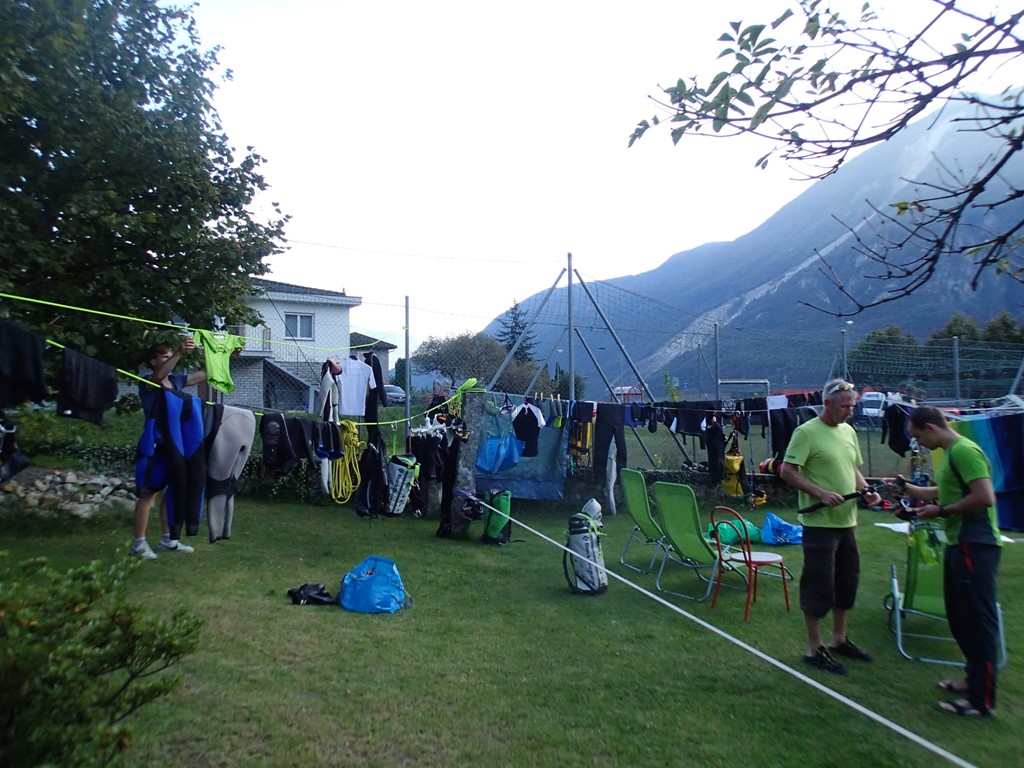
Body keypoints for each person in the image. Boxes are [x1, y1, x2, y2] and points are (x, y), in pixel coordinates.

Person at [892, 406, 1001, 717]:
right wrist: (908, 488)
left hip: (975, 544)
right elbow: (948, 491)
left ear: (930, 427)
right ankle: (973, 680)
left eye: (917, 437)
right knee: (960, 618)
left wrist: (940, 511)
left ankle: (982, 701)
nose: (918, 444)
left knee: (978, 621)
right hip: (959, 544)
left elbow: (984, 496)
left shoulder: (964, 451)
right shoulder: (951, 454)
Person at [779, 379, 881, 675]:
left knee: (846, 581)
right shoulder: (806, 432)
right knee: (818, 583)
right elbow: (787, 471)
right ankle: (814, 648)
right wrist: (820, 493)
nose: (850, 411)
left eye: (852, 406)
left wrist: (866, 490)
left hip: (847, 522)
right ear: (827, 404)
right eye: (845, 406)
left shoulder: (848, 431)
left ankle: (839, 639)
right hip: (819, 524)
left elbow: (852, 468)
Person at [130, 337, 207, 559]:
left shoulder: (176, 380)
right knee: (149, 493)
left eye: (170, 355)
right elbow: (158, 377)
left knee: (173, 490)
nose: (169, 358)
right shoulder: (148, 382)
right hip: (155, 444)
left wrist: (227, 356)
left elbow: (205, 374)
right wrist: (180, 353)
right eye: (165, 356)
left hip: (178, 445)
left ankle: (168, 539)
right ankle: (139, 544)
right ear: (153, 361)